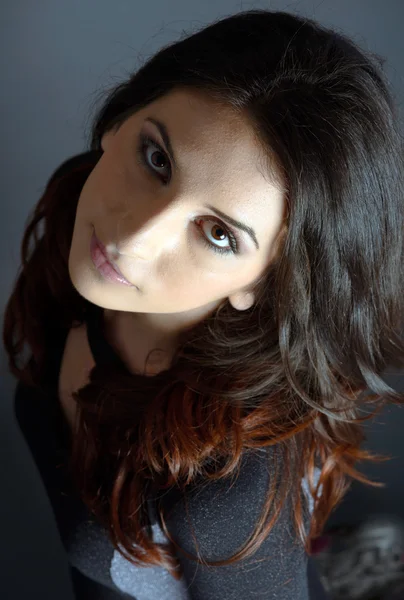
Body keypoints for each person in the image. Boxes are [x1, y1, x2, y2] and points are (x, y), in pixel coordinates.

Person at [3, 8, 404, 600]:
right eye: (157, 159)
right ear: (120, 120)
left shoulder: (226, 492)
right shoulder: (73, 257)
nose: (134, 239)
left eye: (219, 234)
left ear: (261, 283)